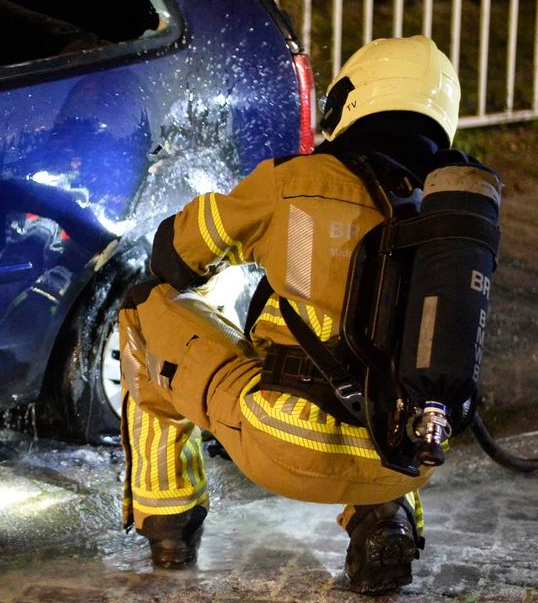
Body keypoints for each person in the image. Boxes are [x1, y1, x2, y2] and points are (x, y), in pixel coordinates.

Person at [119, 35, 490, 595]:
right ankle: (385, 519)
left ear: (354, 100)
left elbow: (175, 255)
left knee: (144, 311)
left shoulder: (293, 183)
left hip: (284, 439)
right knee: (389, 375)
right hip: (405, 454)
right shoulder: (448, 227)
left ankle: (169, 521)